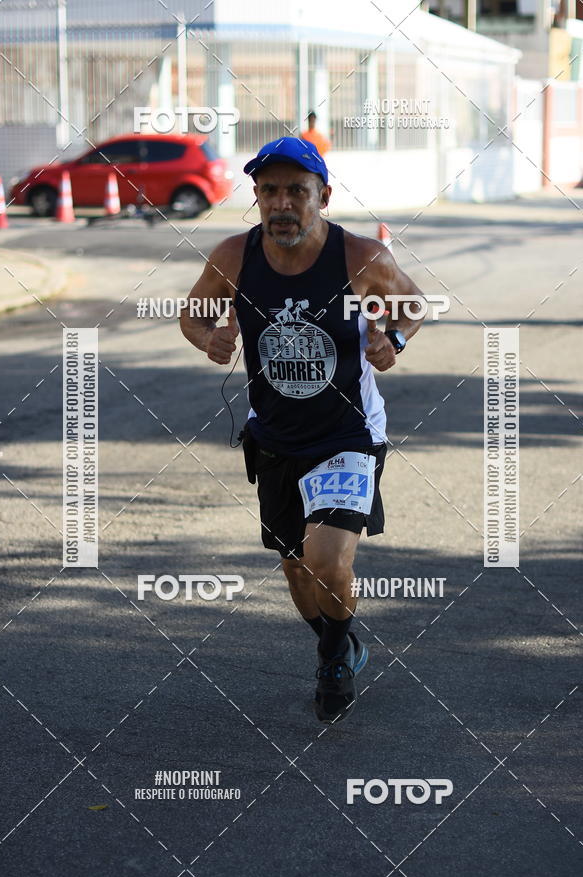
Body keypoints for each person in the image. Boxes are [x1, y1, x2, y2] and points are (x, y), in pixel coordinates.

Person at [180, 136, 424, 724]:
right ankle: (333, 638)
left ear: (323, 196)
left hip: (348, 432)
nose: (281, 203)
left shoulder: (360, 257)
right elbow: (193, 314)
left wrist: (392, 340)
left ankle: (336, 656)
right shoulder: (234, 257)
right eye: (269, 191)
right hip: (276, 437)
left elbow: (413, 304)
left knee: (326, 557)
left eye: (297, 191)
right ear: (257, 198)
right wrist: (208, 338)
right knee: (295, 567)